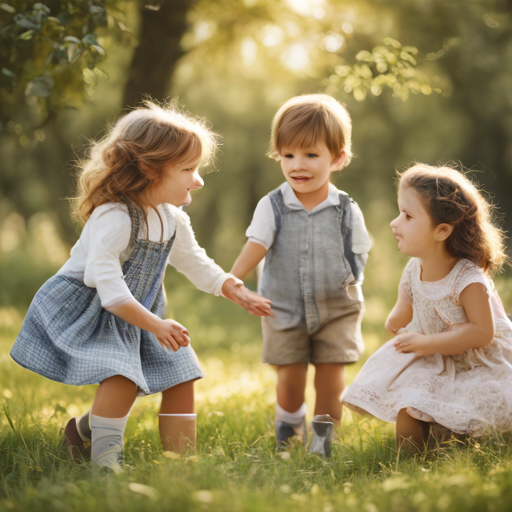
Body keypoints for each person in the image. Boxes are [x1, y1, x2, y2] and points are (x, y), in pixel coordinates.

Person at [10, 100, 272, 470]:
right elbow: (110, 290)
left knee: (182, 373)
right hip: (95, 309)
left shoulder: (172, 218)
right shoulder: (113, 218)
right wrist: (155, 324)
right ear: (151, 170)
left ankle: (178, 465)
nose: (198, 179)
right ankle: (105, 464)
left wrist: (231, 286)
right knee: (122, 378)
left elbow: (194, 260)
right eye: (188, 169)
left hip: (142, 312)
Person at [230, 94, 371, 457]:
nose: (298, 165)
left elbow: (359, 251)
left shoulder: (346, 208)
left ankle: (322, 443)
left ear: (337, 158)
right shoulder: (272, 204)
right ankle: (289, 428)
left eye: (310, 155)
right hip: (283, 307)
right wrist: (233, 278)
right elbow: (257, 243)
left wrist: (352, 282)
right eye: (288, 155)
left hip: (336, 307)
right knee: (290, 378)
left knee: (330, 379)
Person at [343, 164, 512, 453]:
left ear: (442, 230)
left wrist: (426, 342)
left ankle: (469, 444)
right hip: (435, 357)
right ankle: (408, 462)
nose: (394, 223)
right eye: (399, 212)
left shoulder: (467, 278)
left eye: (407, 216)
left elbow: (482, 332)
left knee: (478, 412)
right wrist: (395, 321)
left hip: (477, 362)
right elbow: (404, 307)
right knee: (410, 406)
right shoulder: (413, 269)